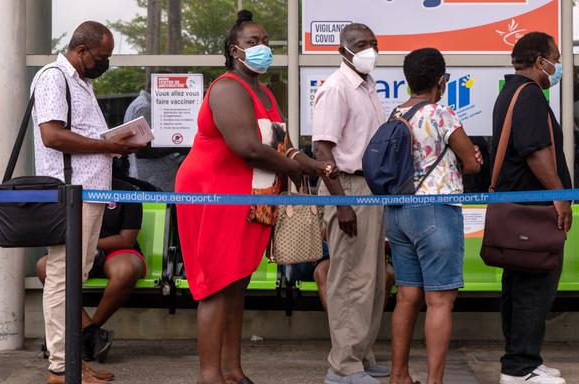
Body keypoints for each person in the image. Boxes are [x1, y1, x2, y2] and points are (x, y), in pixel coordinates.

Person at [174, 11, 334, 384]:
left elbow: (283, 145)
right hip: (214, 193)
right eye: (252, 42)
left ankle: (232, 370)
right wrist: (295, 169)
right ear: (234, 50)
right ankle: (210, 375)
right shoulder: (228, 87)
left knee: (237, 281)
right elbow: (247, 147)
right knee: (216, 284)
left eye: (266, 42)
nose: (263, 48)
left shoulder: (264, 92)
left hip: (250, 195)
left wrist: (311, 165)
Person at [32, 20, 146, 384]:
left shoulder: (80, 81)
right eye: (102, 56)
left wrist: (115, 143)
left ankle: (71, 363)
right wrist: (106, 146)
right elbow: (52, 135)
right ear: (81, 51)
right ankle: (61, 367)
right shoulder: (55, 77)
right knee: (62, 279)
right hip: (70, 193)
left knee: (72, 278)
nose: (104, 63)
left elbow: (78, 132)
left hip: (88, 193)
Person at [386, 48, 483, 384]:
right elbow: (470, 162)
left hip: (398, 213)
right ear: (441, 81)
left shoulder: (395, 113)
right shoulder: (441, 115)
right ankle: (434, 381)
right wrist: (473, 159)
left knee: (407, 296)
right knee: (439, 300)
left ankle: (398, 376)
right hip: (435, 212)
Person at [492, 32, 573, 384]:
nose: (557, 66)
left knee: (519, 285)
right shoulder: (528, 96)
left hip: (519, 208)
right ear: (540, 60)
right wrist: (559, 196)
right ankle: (519, 367)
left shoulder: (512, 93)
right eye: (555, 57)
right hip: (533, 209)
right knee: (534, 286)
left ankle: (523, 358)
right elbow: (535, 152)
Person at [312, 23, 390, 384]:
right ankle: (343, 366)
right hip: (347, 187)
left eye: (372, 44)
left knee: (371, 278)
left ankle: (360, 354)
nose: (368, 50)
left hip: (370, 188)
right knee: (349, 279)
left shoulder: (367, 86)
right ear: (342, 50)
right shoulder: (336, 88)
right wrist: (342, 205)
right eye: (360, 45)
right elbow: (322, 149)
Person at [35, 161, 146, 364]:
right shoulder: (71, 190)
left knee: (126, 271)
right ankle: (92, 335)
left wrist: (89, 242)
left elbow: (126, 239)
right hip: (80, 249)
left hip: (116, 251)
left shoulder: (126, 190)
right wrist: (83, 244)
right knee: (44, 266)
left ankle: (85, 334)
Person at [122, 70, 187, 192]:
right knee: (154, 212)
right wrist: (180, 147)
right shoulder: (146, 108)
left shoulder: (141, 104)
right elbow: (141, 150)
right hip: (152, 180)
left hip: (151, 178)